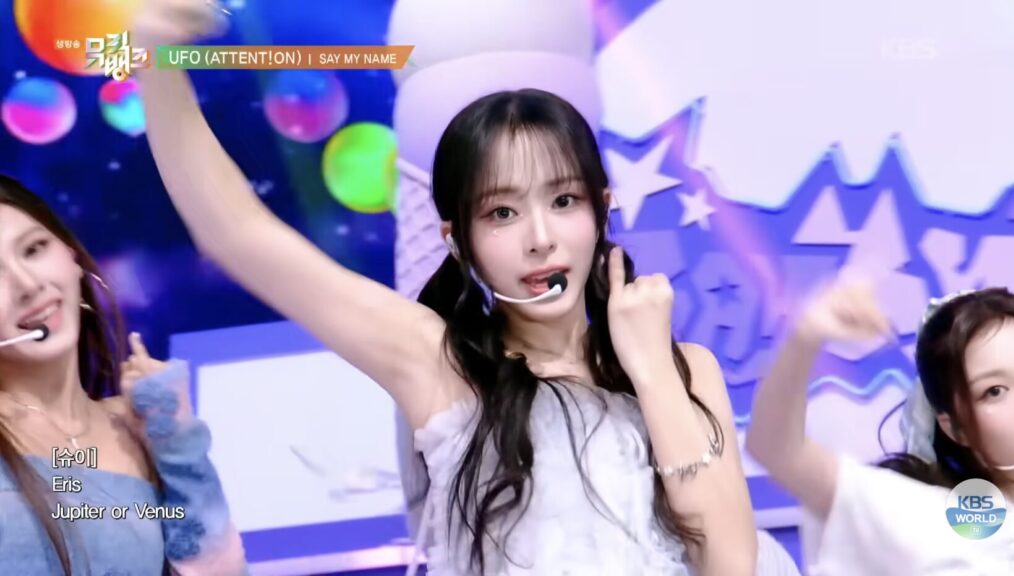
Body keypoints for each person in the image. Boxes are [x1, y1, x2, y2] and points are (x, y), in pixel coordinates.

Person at [132, 1, 803, 573]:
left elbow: (730, 563)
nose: (540, 237)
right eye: (502, 213)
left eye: (563, 201)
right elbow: (236, 234)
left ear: (602, 208)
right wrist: (154, 63)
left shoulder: (686, 370)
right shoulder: (440, 364)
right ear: (458, 239)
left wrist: (653, 372)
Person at [0, 175, 248, 575]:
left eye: (33, 249)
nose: (28, 285)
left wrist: (177, 442)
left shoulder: (141, 425)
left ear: (70, 256)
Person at [747, 282, 1014, 574]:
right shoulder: (926, 522)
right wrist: (805, 337)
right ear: (956, 428)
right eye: (994, 391)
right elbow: (777, 449)